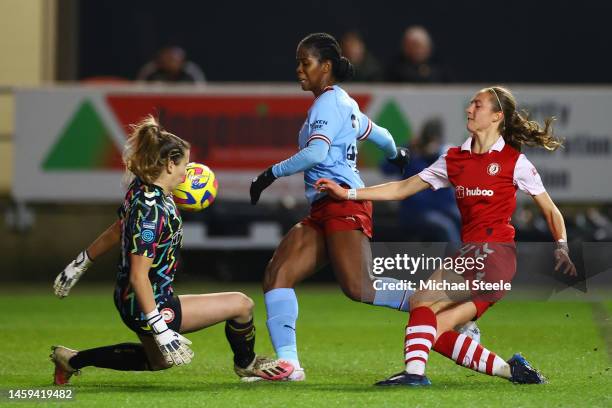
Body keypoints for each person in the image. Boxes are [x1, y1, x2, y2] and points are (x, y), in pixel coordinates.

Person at [317, 86, 577, 386]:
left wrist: (562, 246)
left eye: (477, 105)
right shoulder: (454, 159)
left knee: (421, 301)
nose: (469, 109)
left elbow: (551, 210)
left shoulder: (513, 161)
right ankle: (513, 371)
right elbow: (402, 188)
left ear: (496, 116)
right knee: (435, 331)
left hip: (494, 255)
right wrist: (347, 192)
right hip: (477, 257)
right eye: (470, 104)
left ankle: (414, 375)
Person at [50, 116, 292, 385]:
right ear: (168, 164)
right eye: (185, 165)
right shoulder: (152, 211)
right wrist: (160, 327)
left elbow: (119, 228)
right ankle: (246, 364)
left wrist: (80, 262)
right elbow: (138, 276)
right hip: (150, 303)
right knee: (242, 305)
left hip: (130, 300)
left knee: (158, 361)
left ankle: (71, 360)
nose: (187, 171)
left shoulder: (141, 188)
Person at [249, 31, 428, 382]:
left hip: (343, 202)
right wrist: (397, 154)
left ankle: (436, 304)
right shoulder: (344, 104)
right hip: (324, 206)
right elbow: (382, 136)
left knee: (361, 287)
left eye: (306, 63)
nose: (299, 70)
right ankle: (289, 366)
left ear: (326, 66)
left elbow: (316, 153)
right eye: (298, 63)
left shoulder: (327, 104)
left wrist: (269, 174)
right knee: (277, 274)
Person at [385, 26, 452, 83]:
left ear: (428, 47)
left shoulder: (438, 65)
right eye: (411, 46)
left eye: (418, 46)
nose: (416, 50)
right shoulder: (395, 67)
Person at [137, 46, 205, 83]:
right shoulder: (151, 70)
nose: (171, 63)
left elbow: (202, 90)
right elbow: (139, 89)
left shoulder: (191, 71)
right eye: (168, 59)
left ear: (182, 61)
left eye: (174, 60)